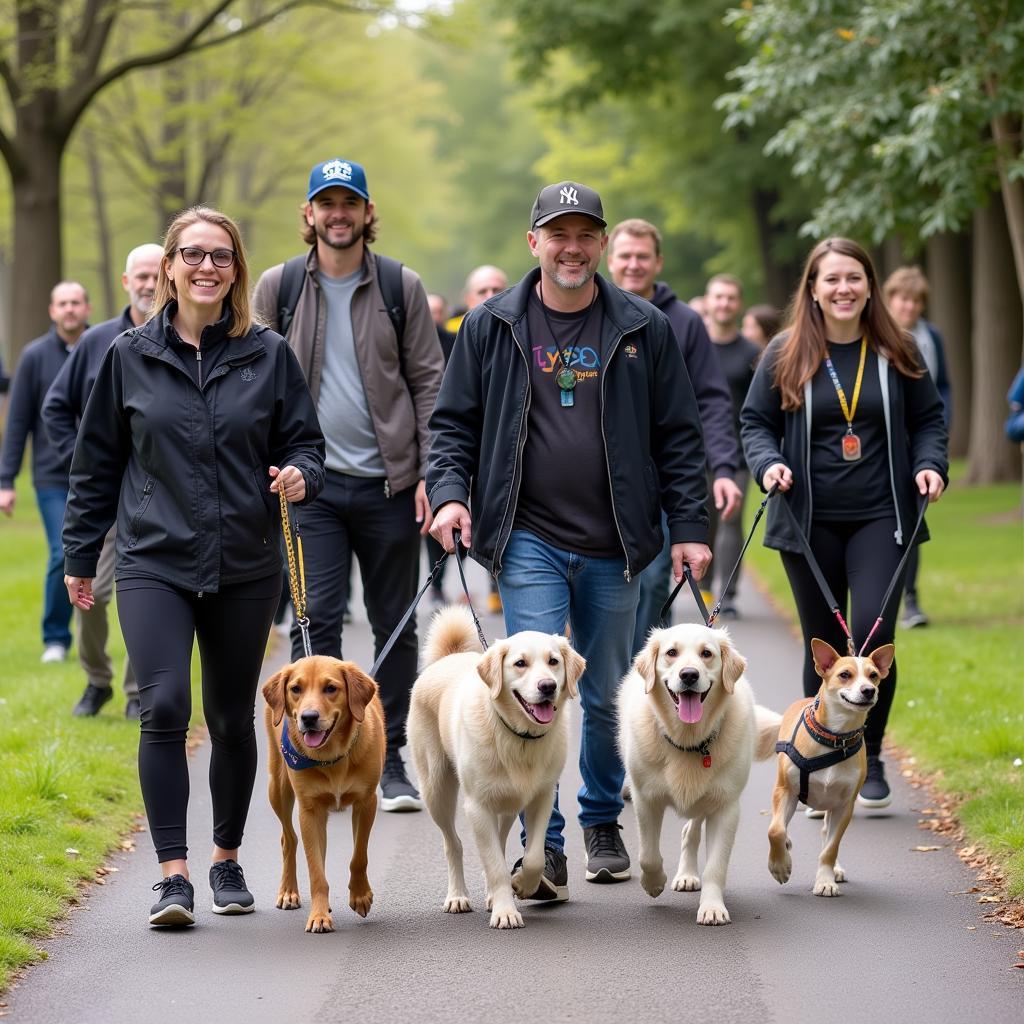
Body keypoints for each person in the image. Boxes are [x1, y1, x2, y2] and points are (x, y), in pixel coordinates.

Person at [428, 181, 711, 898]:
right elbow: (453, 423)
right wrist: (454, 493)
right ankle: (543, 844)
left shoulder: (643, 327)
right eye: (559, 234)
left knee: (613, 687)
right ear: (535, 243)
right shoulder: (490, 324)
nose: (572, 247)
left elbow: (680, 437)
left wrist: (690, 529)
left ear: (602, 244)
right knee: (533, 683)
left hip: (619, 540)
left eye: (586, 234)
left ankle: (599, 819)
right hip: (527, 536)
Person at [62, 206, 325, 927]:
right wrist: (79, 556)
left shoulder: (267, 353)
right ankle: (172, 875)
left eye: (221, 256)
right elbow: (95, 467)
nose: (206, 267)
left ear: (236, 269)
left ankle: (226, 859)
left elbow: (307, 444)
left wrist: (301, 475)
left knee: (233, 716)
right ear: (169, 267)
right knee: (166, 704)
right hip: (153, 559)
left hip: (245, 560)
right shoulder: (128, 356)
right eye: (193, 255)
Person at [252, 158, 444, 813]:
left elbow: (429, 383)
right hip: (311, 490)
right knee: (315, 622)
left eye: (349, 203)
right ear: (309, 214)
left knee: (396, 624)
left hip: (390, 486)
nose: (338, 214)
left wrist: (430, 474)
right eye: (325, 203)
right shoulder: (278, 288)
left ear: (366, 212)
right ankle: (310, 758)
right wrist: (269, 467)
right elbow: (254, 385)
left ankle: (386, 762)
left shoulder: (399, 285)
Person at [741, 237, 948, 810]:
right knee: (829, 649)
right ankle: (821, 761)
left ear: (869, 285)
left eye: (854, 278)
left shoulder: (896, 348)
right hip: (808, 521)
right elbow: (754, 422)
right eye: (831, 279)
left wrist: (931, 465)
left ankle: (869, 756)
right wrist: (768, 464)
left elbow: (930, 419)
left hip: (884, 515)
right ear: (813, 287)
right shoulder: (787, 350)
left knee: (875, 638)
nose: (843, 288)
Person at [604, 218, 741, 648]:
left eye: (643, 256)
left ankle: (638, 667)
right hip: (601, 482)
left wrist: (723, 468)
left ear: (658, 261)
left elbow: (713, 401)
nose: (633, 264)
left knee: (654, 576)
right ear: (610, 259)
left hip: (663, 481)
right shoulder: (590, 312)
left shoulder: (684, 322)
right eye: (625, 255)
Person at [44, 245, 163, 718]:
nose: (149, 283)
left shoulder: (183, 336)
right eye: (141, 275)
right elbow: (55, 407)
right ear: (125, 280)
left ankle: (138, 692)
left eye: (157, 273)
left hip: (156, 500)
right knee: (89, 593)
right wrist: (84, 462)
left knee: (149, 595)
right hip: (106, 498)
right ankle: (98, 680)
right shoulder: (97, 342)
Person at [1, 281, 91, 662]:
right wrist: (5, 480)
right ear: (53, 311)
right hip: (52, 477)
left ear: (86, 308)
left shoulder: (104, 346)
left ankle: (93, 637)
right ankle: (56, 636)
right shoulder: (34, 356)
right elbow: (18, 419)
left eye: (76, 303)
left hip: (101, 476)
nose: (69, 309)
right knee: (62, 552)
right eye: (62, 303)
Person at [883, 266, 953, 630]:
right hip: (889, 447)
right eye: (903, 299)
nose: (909, 307)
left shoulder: (931, 337)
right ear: (890, 299)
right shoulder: (877, 335)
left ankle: (910, 598)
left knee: (913, 524)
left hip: (920, 445)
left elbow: (941, 386)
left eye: (915, 301)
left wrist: (940, 427)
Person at [704, 273, 763, 617]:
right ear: (709, 302)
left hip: (738, 453)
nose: (724, 303)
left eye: (730, 297)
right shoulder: (694, 346)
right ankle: (705, 589)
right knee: (704, 521)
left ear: (738, 304)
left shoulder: (751, 353)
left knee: (730, 520)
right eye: (718, 297)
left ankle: (728, 595)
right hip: (697, 453)